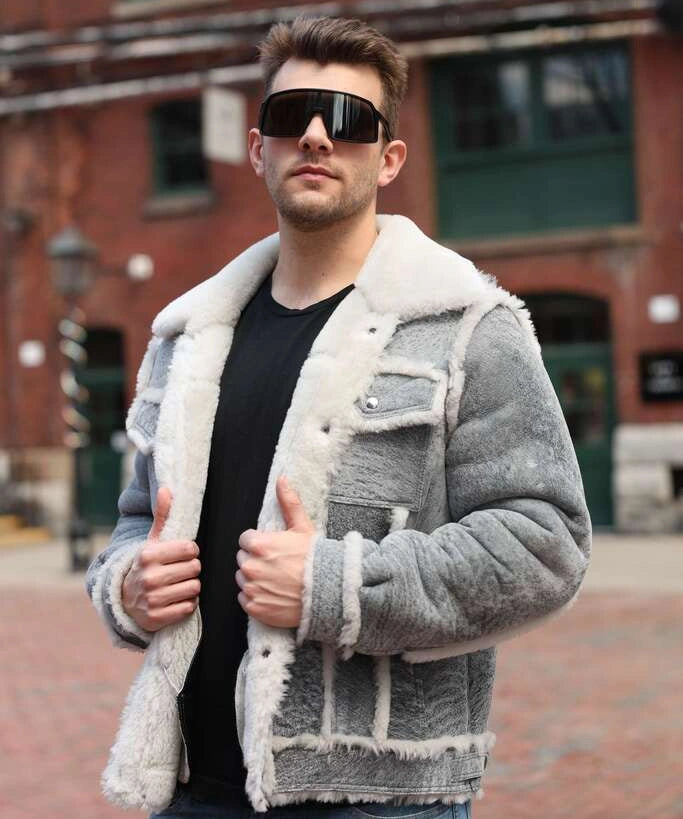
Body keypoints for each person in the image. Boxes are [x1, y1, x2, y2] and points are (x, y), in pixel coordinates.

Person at [85, 15, 592, 819]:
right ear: (259, 149)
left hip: (377, 795)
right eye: (293, 116)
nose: (318, 136)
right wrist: (127, 586)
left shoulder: (466, 326)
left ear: (388, 158)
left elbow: (546, 543)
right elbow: (135, 522)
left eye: (350, 120)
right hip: (187, 786)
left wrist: (336, 585)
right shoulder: (187, 339)